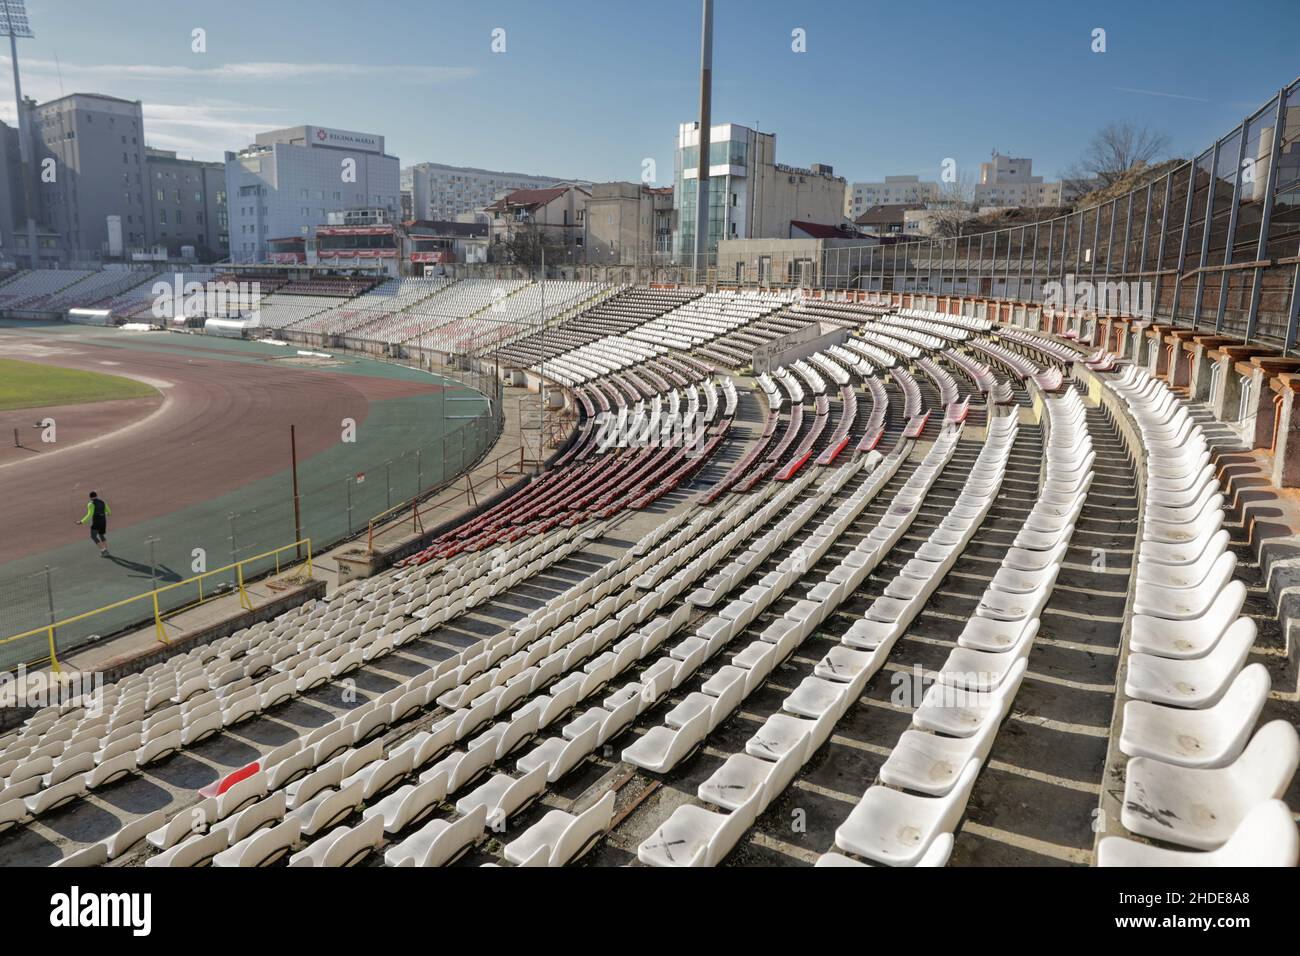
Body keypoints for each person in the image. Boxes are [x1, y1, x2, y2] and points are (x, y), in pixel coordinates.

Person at [77, 491, 111, 557]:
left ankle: (103, 550)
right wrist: (104, 513)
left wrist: (81, 521)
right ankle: (106, 550)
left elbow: (90, 515)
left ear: (90, 497)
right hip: (103, 521)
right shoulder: (102, 502)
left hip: (96, 522)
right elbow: (109, 512)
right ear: (96, 495)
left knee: (93, 536)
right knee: (101, 535)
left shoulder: (91, 504)